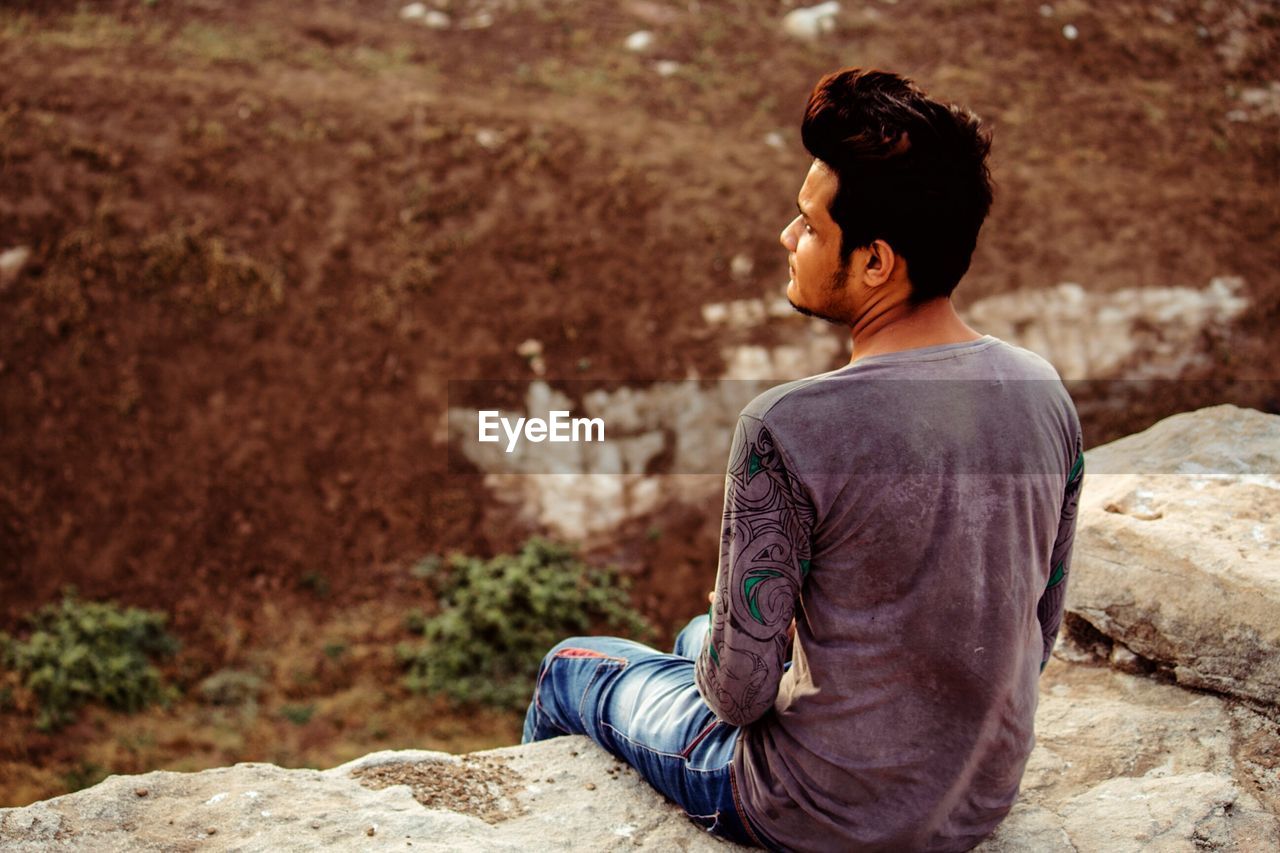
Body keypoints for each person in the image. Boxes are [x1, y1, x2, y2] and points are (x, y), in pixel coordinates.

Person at [523, 67, 1083, 852]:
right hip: (976, 794)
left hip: (813, 806)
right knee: (691, 632)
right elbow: (1040, 629)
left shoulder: (788, 426)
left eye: (812, 227)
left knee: (568, 666)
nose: (789, 238)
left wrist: (735, 599)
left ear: (877, 262)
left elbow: (737, 695)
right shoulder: (1043, 391)